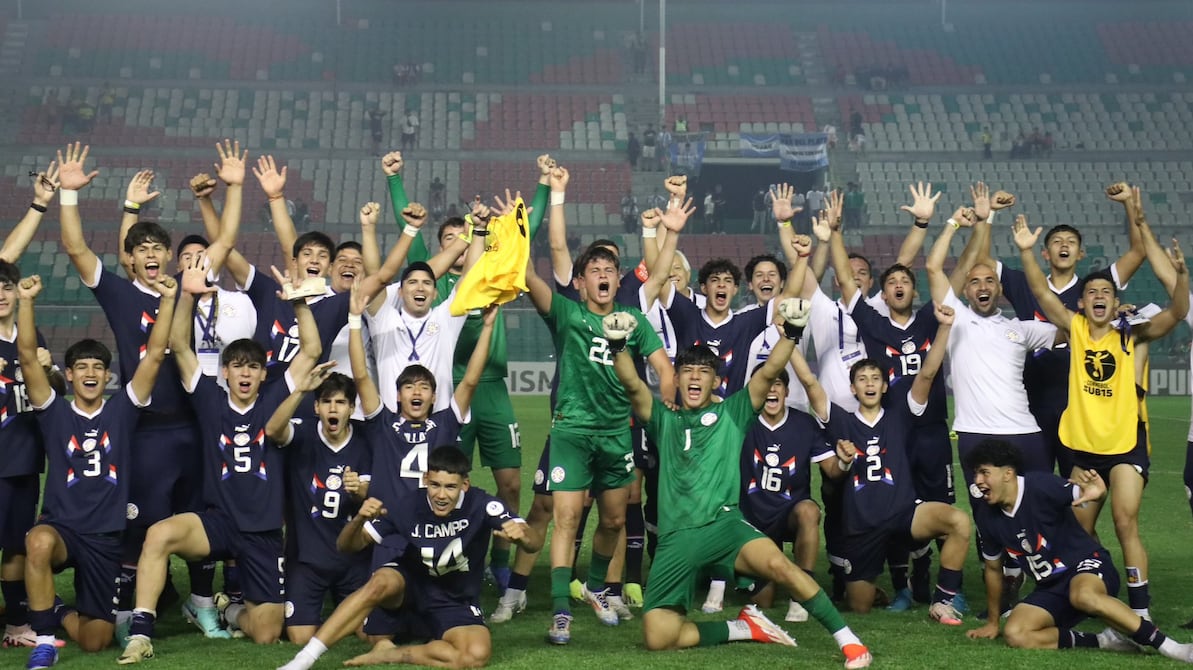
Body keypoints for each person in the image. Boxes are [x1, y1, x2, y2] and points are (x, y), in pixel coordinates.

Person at [610, 298, 873, 670]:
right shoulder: (663, 420)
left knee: (782, 567)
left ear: (716, 381)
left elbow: (768, 374)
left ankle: (849, 642)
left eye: (704, 372)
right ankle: (743, 627)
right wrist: (619, 346)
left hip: (724, 527)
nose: (695, 377)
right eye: (687, 371)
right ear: (677, 378)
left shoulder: (731, 413)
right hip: (675, 540)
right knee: (658, 637)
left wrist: (792, 335)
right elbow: (633, 384)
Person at [59, 142, 245, 638]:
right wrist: (70, 197)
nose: (150, 256)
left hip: (194, 424)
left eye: (157, 249)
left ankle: (201, 604)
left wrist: (237, 187)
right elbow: (77, 250)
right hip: (144, 430)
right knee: (138, 520)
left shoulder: (187, 285)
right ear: (131, 258)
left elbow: (224, 241)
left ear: (168, 257)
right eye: (140, 250)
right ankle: (125, 612)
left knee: (202, 513)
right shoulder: (120, 295)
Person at [117, 259, 329, 663]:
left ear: (263, 374)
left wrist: (300, 304)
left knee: (267, 633)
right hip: (218, 523)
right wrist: (188, 296)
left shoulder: (274, 396)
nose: (245, 374)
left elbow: (313, 350)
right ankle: (141, 633)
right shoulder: (209, 399)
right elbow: (179, 344)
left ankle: (223, 607)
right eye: (237, 367)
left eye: (253, 367)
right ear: (226, 373)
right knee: (159, 534)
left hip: (264, 533)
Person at [1013, 211, 1187, 623]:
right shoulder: (1073, 328)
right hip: (1082, 450)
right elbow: (1041, 291)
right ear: (1083, 301)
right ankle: (1094, 587)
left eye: (1106, 291)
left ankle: (1140, 611)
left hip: (1124, 447)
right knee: (1077, 529)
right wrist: (1025, 253)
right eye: (1092, 291)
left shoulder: (1131, 333)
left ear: (1113, 299)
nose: (1099, 296)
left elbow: (1176, 313)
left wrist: (1181, 278)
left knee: (1126, 521)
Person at [522, 192, 674, 643]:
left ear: (617, 279)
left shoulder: (632, 318)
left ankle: (593, 587)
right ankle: (561, 611)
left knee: (612, 521)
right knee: (567, 518)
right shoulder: (566, 315)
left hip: (616, 433)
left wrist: (667, 395)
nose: (603, 275)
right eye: (595, 271)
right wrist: (518, 229)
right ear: (582, 283)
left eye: (610, 270)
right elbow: (529, 276)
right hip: (571, 430)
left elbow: (663, 366)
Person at [18, 272, 174, 669]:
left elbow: (154, 355)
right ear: (68, 375)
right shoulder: (54, 412)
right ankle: (45, 640)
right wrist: (27, 301)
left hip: (105, 538)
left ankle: (55, 608)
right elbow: (26, 358)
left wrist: (169, 301)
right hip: (63, 529)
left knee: (95, 641)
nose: (90, 372)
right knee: (37, 542)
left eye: (98, 367)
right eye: (81, 366)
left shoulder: (123, 410)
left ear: (109, 376)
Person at [276, 446, 542, 670]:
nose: (441, 495)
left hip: (455, 600)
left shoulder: (483, 505)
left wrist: (523, 535)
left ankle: (394, 653)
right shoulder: (408, 504)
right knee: (381, 582)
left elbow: (532, 544)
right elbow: (347, 546)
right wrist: (359, 519)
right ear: (426, 478)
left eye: (450, 487)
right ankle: (303, 660)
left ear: (465, 484)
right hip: (410, 590)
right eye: (435, 485)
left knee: (475, 656)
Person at [793, 297, 972, 626]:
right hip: (862, 524)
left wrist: (944, 328)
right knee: (859, 607)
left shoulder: (900, 413)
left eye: (876, 378)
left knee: (959, 522)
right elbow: (810, 383)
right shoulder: (842, 420)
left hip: (905, 513)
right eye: (863, 379)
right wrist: (789, 339)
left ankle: (944, 599)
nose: (870, 383)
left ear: (885, 385)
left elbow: (928, 373)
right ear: (852, 388)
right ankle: (871, 588)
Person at [964, 440, 1193, 661]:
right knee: (1016, 633)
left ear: (1008, 474)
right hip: (1051, 586)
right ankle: (1105, 640)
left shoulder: (1040, 486)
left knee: (1083, 594)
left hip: (1088, 565)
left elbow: (1085, 493)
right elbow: (993, 569)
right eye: (976, 474)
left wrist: (1098, 492)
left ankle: (1173, 648)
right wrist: (993, 623)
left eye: (984, 472)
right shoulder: (986, 516)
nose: (977, 481)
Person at [0, 164, 61, 648]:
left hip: (21, 456)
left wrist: (49, 367)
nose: (1, 292)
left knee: (16, 542)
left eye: (7, 286)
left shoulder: (27, 334)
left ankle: (17, 623)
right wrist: (39, 205)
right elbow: (5, 257)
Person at [274, 372, 373, 645]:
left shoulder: (366, 441)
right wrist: (298, 391)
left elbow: (377, 496)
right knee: (300, 637)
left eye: (341, 402)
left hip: (353, 559)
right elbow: (273, 430)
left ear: (352, 408)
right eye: (326, 401)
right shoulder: (303, 433)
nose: (333, 408)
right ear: (316, 406)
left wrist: (360, 491)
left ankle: (343, 609)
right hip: (308, 558)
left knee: (370, 633)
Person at [738, 365, 833, 623]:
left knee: (809, 511)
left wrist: (845, 461)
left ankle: (802, 590)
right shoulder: (742, 421)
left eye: (777, 384)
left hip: (788, 514)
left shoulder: (804, 423)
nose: (771, 389)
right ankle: (751, 572)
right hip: (753, 520)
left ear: (786, 391)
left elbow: (833, 470)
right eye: (765, 383)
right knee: (763, 601)